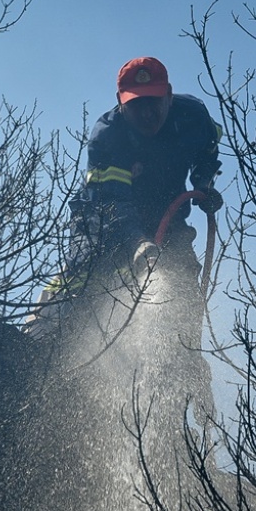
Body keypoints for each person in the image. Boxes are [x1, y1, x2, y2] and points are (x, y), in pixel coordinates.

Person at [28, 57, 223, 327]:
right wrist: (138, 243)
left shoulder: (193, 116)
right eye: (135, 104)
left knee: (182, 283)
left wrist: (203, 184)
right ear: (120, 100)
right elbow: (114, 202)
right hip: (102, 223)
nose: (146, 114)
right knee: (83, 280)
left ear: (168, 95)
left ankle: (183, 354)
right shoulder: (108, 137)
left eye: (152, 102)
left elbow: (208, 150)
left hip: (167, 214)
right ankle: (38, 333)